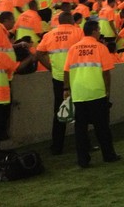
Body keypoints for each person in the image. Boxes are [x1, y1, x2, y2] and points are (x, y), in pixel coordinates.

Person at [63, 20, 120, 168]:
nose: (100, 32)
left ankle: (83, 160)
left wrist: (66, 89)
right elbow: (106, 73)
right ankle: (108, 155)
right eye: (99, 29)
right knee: (102, 127)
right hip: (96, 92)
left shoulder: (73, 48)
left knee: (80, 130)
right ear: (94, 31)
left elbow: (66, 71)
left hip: (79, 93)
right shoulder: (100, 48)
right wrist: (108, 91)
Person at [37, 11, 84, 155]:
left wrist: (51, 67)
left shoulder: (49, 34)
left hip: (58, 78)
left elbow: (39, 53)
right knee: (81, 112)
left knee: (59, 111)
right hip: (76, 76)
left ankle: (57, 147)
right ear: (71, 20)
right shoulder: (78, 32)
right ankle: (83, 145)